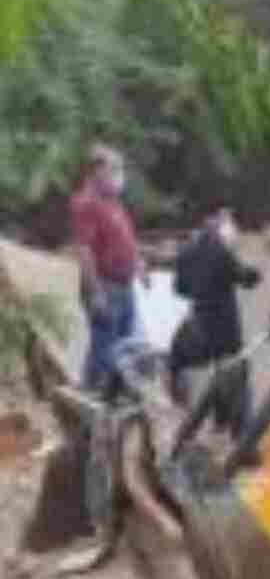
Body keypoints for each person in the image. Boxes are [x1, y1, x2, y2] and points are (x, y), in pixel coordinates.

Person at [87, 340, 196, 579]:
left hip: (125, 520)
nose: (161, 373)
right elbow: (133, 476)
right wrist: (164, 519)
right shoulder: (139, 417)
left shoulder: (112, 412)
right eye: (155, 367)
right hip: (148, 516)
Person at [167, 207, 263, 424]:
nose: (230, 225)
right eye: (225, 219)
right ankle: (241, 429)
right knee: (237, 370)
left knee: (176, 355)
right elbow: (248, 278)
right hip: (225, 333)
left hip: (198, 330)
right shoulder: (221, 251)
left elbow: (179, 288)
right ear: (212, 220)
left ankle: (184, 406)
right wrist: (256, 266)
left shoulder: (186, 251)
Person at [70, 145, 145, 393]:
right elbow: (85, 250)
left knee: (124, 349)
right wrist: (96, 291)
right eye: (114, 168)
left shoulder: (113, 203)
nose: (119, 174)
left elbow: (127, 239)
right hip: (105, 285)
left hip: (123, 286)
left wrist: (139, 265)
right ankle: (92, 399)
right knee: (104, 349)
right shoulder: (86, 203)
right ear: (97, 170)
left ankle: (112, 401)